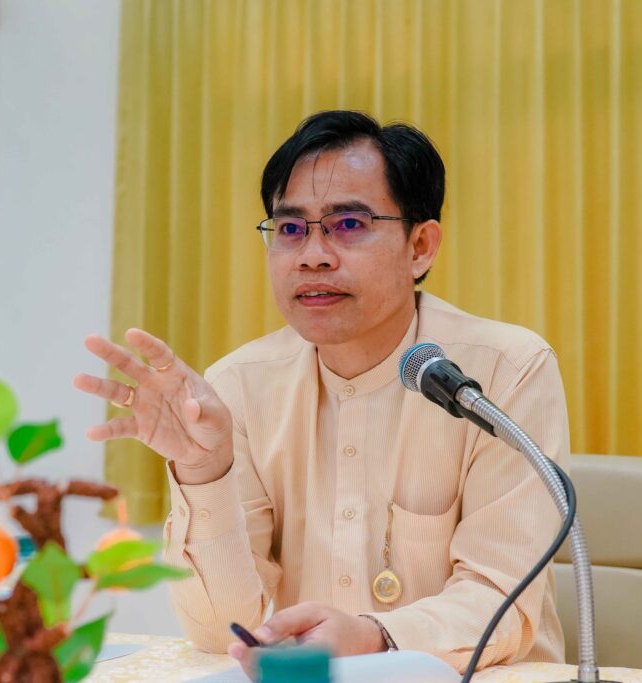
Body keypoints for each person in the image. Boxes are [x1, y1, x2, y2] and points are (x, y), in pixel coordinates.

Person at [73, 110, 569, 674]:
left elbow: (501, 598)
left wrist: (377, 635)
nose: (313, 254)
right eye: (290, 229)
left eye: (348, 224)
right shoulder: (239, 384)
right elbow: (219, 629)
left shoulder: (502, 372)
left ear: (420, 246)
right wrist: (202, 471)